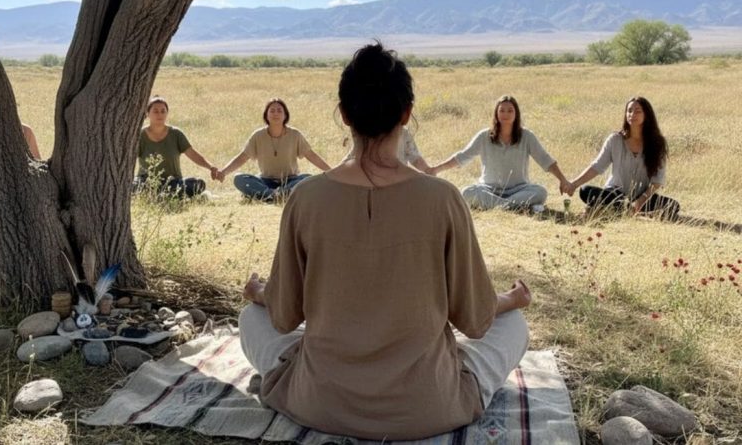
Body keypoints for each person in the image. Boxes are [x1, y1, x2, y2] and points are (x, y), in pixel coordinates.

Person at [238, 43, 531, 441]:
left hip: (320, 402)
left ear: (343, 115)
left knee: (250, 318)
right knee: (513, 324)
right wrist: (512, 300)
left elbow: (284, 316)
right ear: (406, 114)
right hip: (428, 407)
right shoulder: (444, 198)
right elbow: (476, 322)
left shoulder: (305, 199)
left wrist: (260, 293)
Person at [429, 95, 573, 211]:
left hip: (519, 189)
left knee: (541, 192)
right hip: (488, 189)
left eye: (510, 110)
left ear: (516, 114)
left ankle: (500, 206)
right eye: (502, 110)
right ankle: (510, 206)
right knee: (467, 192)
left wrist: (563, 179)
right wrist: (436, 169)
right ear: (496, 113)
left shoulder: (527, 136)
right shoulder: (484, 136)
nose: (505, 114)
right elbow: (462, 157)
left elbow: (545, 160)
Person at [569, 96, 680, 218]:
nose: (632, 114)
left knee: (673, 206)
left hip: (642, 196)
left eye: (638, 111)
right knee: (585, 191)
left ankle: (614, 212)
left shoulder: (657, 143)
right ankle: (631, 213)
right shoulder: (615, 139)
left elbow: (657, 181)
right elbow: (597, 166)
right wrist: (574, 184)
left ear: (647, 115)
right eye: (629, 111)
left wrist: (640, 201)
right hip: (614, 194)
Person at [216, 98, 330, 202]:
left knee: (307, 179)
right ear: (266, 115)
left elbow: (310, 155)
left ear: (285, 115)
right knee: (239, 178)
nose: (276, 113)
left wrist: (331, 171)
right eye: (272, 111)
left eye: (279, 111)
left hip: (290, 180)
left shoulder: (295, 134)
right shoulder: (258, 135)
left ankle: (266, 195)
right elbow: (243, 157)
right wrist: (224, 172)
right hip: (265, 181)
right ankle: (275, 194)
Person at [133, 95, 218, 198]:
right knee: (133, 187)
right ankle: (165, 196)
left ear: (167, 113)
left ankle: (162, 196)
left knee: (198, 184)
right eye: (155, 111)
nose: (159, 114)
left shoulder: (176, 134)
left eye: (163, 111)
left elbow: (192, 154)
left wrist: (211, 167)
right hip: (147, 182)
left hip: (173, 182)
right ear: (147, 114)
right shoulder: (139, 135)